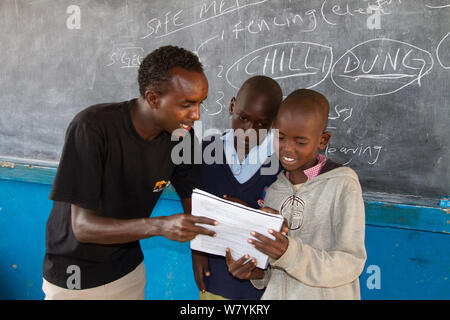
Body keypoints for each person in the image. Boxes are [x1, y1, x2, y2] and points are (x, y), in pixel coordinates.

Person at [42, 45, 217, 300]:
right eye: (187, 104)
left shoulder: (183, 139)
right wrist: (160, 225)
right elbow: (82, 227)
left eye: (200, 103)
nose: (196, 115)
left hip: (127, 270)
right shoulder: (92, 127)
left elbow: (196, 206)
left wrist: (201, 251)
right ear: (154, 98)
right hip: (73, 276)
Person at [225, 89, 367, 299]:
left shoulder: (343, 184)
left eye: (300, 142)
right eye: (281, 137)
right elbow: (272, 271)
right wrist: (253, 271)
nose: (288, 149)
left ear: (323, 140)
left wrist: (288, 252)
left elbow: (351, 263)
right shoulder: (275, 189)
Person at [192, 75, 283, 300]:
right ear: (232, 106)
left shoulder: (283, 162)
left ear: (274, 122)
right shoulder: (204, 153)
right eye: (243, 117)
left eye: (262, 124)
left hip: (263, 287)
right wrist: (196, 251)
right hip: (214, 280)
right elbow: (194, 209)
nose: (249, 131)